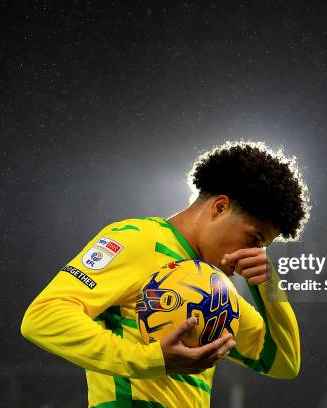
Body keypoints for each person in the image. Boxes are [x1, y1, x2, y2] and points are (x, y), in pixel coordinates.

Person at [20, 140, 311, 408]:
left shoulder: (216, 290)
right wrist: (150, 359)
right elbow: (43, 318)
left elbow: (282, 363)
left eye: (263, 249)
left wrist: (270, 284)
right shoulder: (138, 239)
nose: (255, 254)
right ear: (220, 208)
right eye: (253, 239)